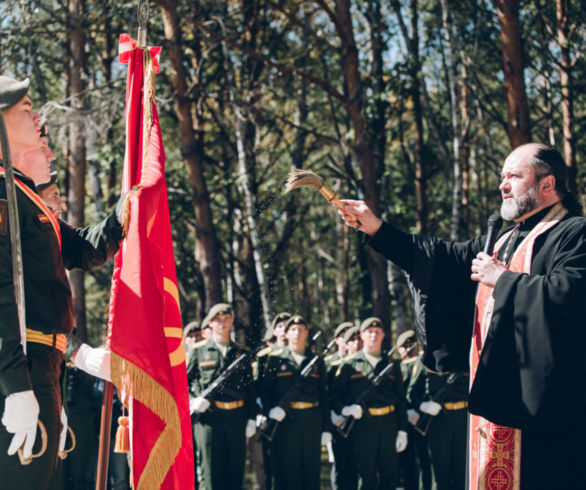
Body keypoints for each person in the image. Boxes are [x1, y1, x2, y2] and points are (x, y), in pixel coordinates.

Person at [337, 143, 586, 489]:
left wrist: (503, 280)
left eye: (514, 175)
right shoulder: (502, 240)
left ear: (547, 184)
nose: (503, 184)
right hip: (496, 403)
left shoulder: (574, 232)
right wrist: (377, 228)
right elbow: (439, 259)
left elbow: (571, 295)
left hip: (546, 412)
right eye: (502, 176)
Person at [0, 76, 124, 490]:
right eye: (25, 108)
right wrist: (17, 388)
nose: (37, 119)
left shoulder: (23, 195)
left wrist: (125, 213)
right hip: (20, 363)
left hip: (45, 363)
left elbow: (82, 249)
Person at [333, 317, 408, 490]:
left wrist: (402, 430)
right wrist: (347, 408)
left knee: (390, 475)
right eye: (369, 332)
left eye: (377, 332)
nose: (373, 335)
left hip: (388, 424)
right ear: (362, 336)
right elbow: (336, 396)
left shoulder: (391, 364)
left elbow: (401, 400)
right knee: (366, 476)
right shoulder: (349, 364)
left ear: (383, 335)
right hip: (363, 426)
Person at [187, 303, 256, 490]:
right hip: (209, 419)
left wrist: (251, 418)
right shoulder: (198, 351)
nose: (222, 323)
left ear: (232, 321)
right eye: (217, 320)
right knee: (210, 473)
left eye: (226, 319)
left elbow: (250, 389)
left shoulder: (241, 353)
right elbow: (184, 382)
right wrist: (193, 400)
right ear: (210, 323)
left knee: (234, 472)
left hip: (236, 418)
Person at [260, 315, 330, 490]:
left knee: (312, 471)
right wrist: (270, 411)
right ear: (286, 333)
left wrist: (326, 428)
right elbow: (265, 391)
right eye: (293, 330)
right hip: (285, 423)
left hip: (311, 421)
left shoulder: (316, 361)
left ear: (306, 333)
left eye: (301, 330)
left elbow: (324, 396)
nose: (297, 333)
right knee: (288, 471)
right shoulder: (275, 360)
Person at [396, 330, 431, 490]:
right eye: (405, 346)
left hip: (421, 417)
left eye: (411, 344)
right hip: (403, 419)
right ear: (399, 348)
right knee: (406, 459)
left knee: (424, 458)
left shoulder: (421, 362)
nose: (409, 348)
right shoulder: (397, 366)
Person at [326, 321, 357, 490]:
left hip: (357, 420)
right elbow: (325, 392)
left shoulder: (358, 360)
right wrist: (332, 414)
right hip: (337, 421)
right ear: (337, 339)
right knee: (339, 465)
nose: (346, 339)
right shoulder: (329, 363)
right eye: (342, 335)